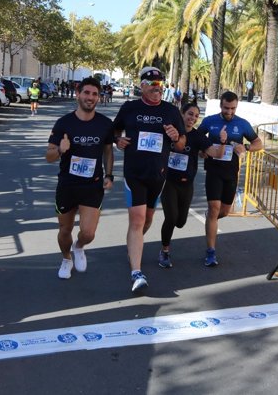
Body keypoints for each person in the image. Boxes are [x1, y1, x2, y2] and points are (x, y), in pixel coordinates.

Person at [112, 66, 186, 292]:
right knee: (137, 220)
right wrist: (118, 140)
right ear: (142, 85)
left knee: (147, 221)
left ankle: (134, 244)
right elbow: (114, 132)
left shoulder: (171, 111)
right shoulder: (130, 108)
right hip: (134, 173)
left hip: (158, 175)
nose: (158, 88)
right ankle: (136, 272)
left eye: (161, 84)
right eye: (153, 84)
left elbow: (181, 144)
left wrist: (176, 138)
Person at [46, 77, 115, 279]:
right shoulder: (63, 123)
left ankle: (79, 246)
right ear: (78, 94)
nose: (90, 97)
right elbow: (48, 156)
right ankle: (66, 258)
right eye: (86, 93)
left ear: (99, 97)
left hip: (92, 185)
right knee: (65, 230)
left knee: (88, 233)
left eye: (94, 94)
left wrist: (109, 174)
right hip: (67, 185)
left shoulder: (104, 124)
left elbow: (108, 151)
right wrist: (60, 149)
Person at [197, 91, 263, 266]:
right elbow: (196, 139)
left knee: (224, 211)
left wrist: (246, 147)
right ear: (221, 105)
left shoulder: (242, 124)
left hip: (231, 172)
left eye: (233, 108)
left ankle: (211, 219)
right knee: (214, 208)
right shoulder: (210, 121)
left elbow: (259, 143)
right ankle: (210, 252)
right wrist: (202, 151)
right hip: (213, 170)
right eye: (226, 108)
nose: (230, 112)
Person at [158, 103, 226, 268]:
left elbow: (217, 154)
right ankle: (164, 251)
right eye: (190, 114)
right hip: (168, 182)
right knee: (171, 217)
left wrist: (223, 141)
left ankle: (167, 243)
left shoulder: (197, 137)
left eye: (196, 116)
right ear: (181, 113)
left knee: (180, 222)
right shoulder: (170, 132)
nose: (192, 118)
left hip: (186, 185)